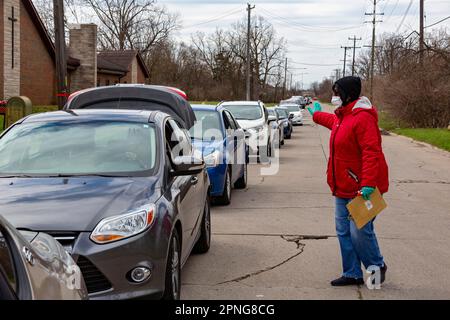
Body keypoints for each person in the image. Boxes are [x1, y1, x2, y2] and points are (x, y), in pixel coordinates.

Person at [308, 76, 389, 287]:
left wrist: (368, 183)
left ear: (348, 94)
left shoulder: (363, 118)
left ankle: (376, 266)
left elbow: (372, 152)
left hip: (363, 187)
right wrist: (316, 114)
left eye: (337, 92)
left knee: (360, 231)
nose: (334, 96)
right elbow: (332, 122)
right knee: (343, 231)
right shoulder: (342, 116)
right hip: (342, 186)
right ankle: (352, 273)